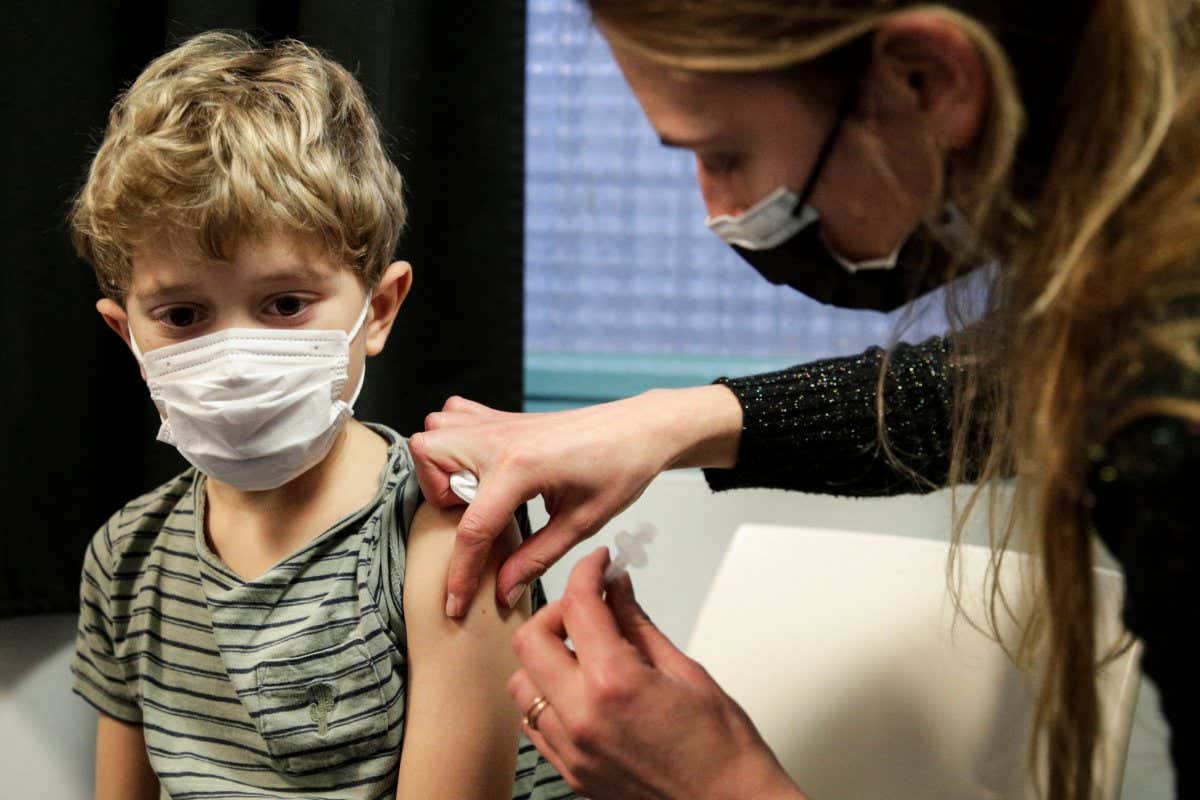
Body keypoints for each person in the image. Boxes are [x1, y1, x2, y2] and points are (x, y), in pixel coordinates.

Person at [411, 1, 1198, 798]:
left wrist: (719, 782)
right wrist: (673, 420)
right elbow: (1005, 386)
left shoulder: (1170, 408)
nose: (718, 210)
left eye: (724, 153)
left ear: (927, 80)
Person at [67, 31, 571, 800]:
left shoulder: (445, 532)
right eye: (182, 314)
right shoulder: (125, 560)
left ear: (379, 308)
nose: (235, 356)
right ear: (125, 332)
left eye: (286, 305)